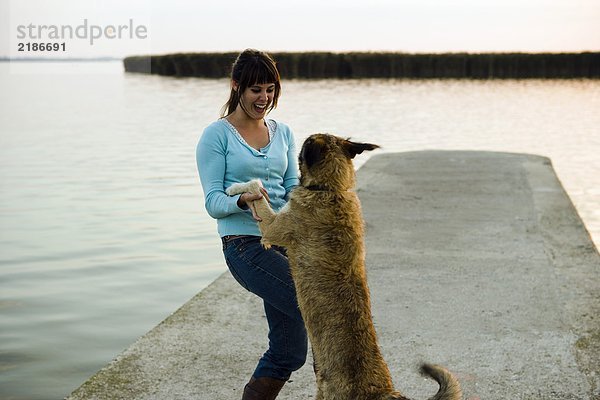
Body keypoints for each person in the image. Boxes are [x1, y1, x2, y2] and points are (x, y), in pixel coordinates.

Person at [196, 49, 307, 400]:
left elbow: (291, 188)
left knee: (289, 352)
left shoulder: (284, 132)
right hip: (244, 246)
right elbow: (213, 202)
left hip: (286, 242)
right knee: (315, 302)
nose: (264, 98)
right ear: (236, 87)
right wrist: (242, 199)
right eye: (256, 90)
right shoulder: (217, 136)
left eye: (270, 89)